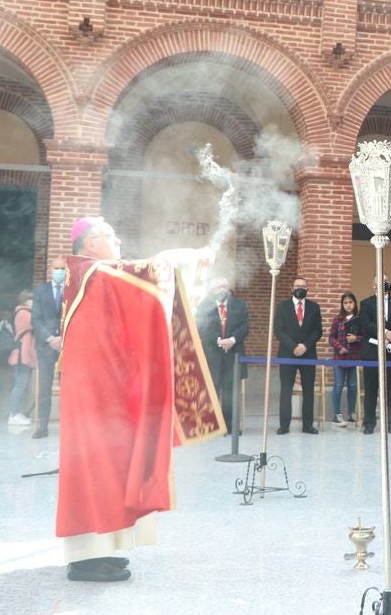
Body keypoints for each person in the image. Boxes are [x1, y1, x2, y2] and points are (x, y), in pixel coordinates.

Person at [58, 217, 223, 582]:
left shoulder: (90, 275)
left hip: (102, 390)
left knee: (109, 468)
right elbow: (148, 275)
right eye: (108, 236)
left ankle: (102, 549)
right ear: (88, 245)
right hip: (96, 395)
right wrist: (192, 257)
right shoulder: (94, 274)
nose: (117, 241)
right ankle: (86, 560)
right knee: (97, 468)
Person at [194, 277, 250, 435]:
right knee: (211, 392)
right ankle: (211, 426)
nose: (222, 290)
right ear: (212, 291)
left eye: (224, 287)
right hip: (213, 356)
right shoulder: (204, 305)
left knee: (230, 394)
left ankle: (231, 426)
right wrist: (219, 340)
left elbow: (245, 326)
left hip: (233, 355)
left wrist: (232, 340)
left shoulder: (239, 305)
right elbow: (202, 327)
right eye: (218, 287)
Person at [272, 277, 322, 435]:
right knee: (286, 390)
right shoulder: (282, 306)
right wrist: (293, 346)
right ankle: (284, 425)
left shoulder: (314, 307)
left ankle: (308, 425)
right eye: (297, 286)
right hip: (288, 353)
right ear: (291, 288)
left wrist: (305, 346)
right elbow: (278, 330)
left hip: (308, 354)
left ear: (308, 289)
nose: (300, 288)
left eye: (303, 286)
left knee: (308, 390)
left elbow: (318, 331)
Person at [358, 278, 391, 435]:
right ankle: (369, 423)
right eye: (379, 281)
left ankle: (390, 424)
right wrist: (385, 333)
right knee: (371, 390)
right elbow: (366, 324)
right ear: (373, 286)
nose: (383, 284)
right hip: (372, 352)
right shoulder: (366, 303)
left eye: (385, 281)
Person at [31, 257, 66, 439]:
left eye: (62, 268)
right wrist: (50, 337)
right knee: (44, 387)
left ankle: (68, 427)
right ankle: (42, 426)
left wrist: (63, 338)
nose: (59, 271)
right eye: (56, 268)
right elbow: (35, 319)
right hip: (45, 346)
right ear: (50, 270)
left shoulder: (70, 290)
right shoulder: (40, 290)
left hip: (65, 346)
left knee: (67, 387)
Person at [327, 291, 362, 427]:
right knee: (338, 385)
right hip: (339, 357)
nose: (348, 305)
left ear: (354, 304)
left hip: (354, 357)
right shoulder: (338, 319)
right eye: (346, 303)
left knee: (353, 386)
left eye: (351, 302)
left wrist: (356, 338)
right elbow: (331, 338)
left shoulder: (359, 319)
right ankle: (337, 414)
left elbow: (365, 337)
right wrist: (339, 347)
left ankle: (351, 413)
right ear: (342, 305)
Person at [7, 290, 35, 426]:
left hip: (24, 355)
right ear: (25, 301)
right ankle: (13, 414)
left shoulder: (24, 312)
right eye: (31, 299)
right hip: (21, 355)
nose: (33, 302)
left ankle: (16, 413)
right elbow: (36, 324)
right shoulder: (24, 313)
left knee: (20, 385)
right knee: (19, 385)